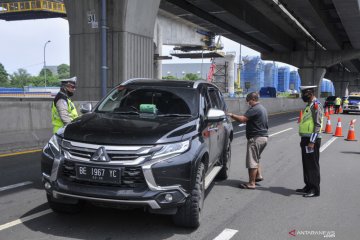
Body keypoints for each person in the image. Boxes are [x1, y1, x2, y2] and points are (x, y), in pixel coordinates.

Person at [227, 92, 268, 190]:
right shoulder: (262, 108)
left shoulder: (254, 109)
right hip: (263, 138)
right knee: (256, 158)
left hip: (256, 138)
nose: (247, 103)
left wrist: (231, 115)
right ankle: (258, 176)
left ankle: (251, 183)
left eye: (248, 100)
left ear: (253, 99)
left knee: (252, 161)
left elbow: (242, 119)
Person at [296, 86, 324, 197]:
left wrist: (312, 141)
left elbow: (317, 125)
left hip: (312, 139)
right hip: (306, 139)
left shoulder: (316, 105)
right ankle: (308, 186)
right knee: (306, 164)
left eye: (304, 93)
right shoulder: (310, 105)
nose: (303, 96)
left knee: (312, 165)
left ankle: (314, 189)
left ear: (310, 93)